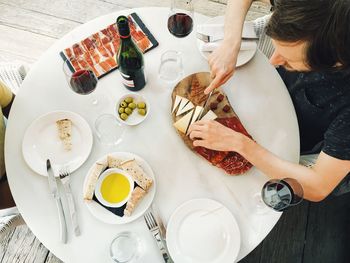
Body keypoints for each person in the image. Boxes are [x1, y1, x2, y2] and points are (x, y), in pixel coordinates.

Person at [188, 0, 350, 201]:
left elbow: (318, 187)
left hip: (301, 141)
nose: (272, 62)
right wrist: (231, 40)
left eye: (288, 60)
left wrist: (240, 143)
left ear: (336, 63)